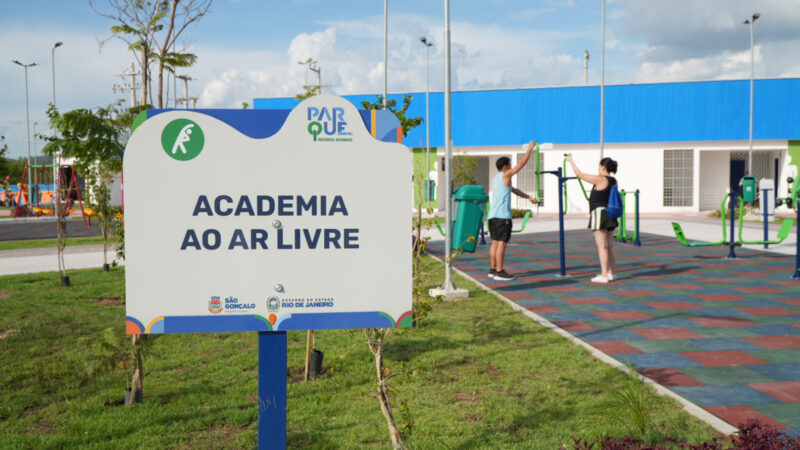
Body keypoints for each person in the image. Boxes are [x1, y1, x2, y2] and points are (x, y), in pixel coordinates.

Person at [488, 141, 539, 281]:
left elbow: (514, 190)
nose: (511, 167)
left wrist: (529, 197)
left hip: (493, 217)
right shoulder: (506, 175)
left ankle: (493, 270)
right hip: (502, 217)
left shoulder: (497, 178)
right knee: (502, 243)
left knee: (495, 242)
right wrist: (530, 149)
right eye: (510, 165)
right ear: (505, 167)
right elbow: (522, 163)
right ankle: (499, 272)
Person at [565, 154, 619, 283]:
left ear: (603, 166)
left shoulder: (601, 179)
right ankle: (611, 273)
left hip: (600, 214)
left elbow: (580, 174)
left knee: (602, 246)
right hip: (610, 214)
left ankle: (604, 275)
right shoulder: (613, 180)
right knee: (610, 245)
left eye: (599, 165)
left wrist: (571, 160)